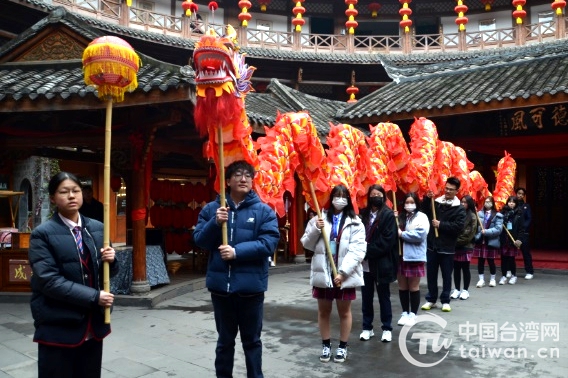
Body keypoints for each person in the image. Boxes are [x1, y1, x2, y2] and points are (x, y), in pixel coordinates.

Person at [193, 160, 280, 378]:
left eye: (248, 176)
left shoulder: (264, 211)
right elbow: (199, 241)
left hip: (251, 290)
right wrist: (215, 223)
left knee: (252, 342)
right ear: (228, 180)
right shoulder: (212, 209)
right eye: (238, 175)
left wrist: (237, 252)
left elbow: (268, 243)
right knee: (224, 342)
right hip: (222, 289)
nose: (243, 179)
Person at [28, 172, 118, 378]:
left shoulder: (97, 228)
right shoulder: (42, 234)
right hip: (58, 324)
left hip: (92, 325)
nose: (71, 196)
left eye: (76, 191)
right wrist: (95, 297)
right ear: (53, 198)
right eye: (64, 192)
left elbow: (107, 273)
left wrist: (112, 260)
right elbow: (49, 281)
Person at [301, 184, 366, 363]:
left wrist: (343, 273)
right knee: (324, 311)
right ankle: (325, 345)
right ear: (331, 198)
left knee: (344, 312)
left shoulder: (356, 222)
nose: (340, 199)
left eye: (343, 195)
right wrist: (315, 227)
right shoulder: (319, 218)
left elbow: (358, 250)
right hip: (324, 271)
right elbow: (306, 244)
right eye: (336, 195)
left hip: (344, 274)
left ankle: (343, 347)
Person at [358, 184, 397, 342]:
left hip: (381, 263)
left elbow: (387, 241)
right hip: (365, 264)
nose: (376, 197)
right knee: (366, 297)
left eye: (379, 194)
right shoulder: (364, 214)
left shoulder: (388, 215)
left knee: (384, 297)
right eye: (373, 194)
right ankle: (367, 327)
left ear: (384, 196)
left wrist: (366, 251)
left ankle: (386, 327)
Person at [420, 177, 466, 313]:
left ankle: (445, 300)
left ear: (457, 191)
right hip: (432, 245)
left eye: (451, 190)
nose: (448, 191)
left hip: (447, 247)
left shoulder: (459, 208)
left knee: (447, 275)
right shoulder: (437, 203)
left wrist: (441, 224)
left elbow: (459, 227)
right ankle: (431, 299)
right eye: (446, 188)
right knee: (431, 274)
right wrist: (427, 199)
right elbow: (425, 213)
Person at [395, 192, 429, 326]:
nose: (409, 205)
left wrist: (402, 234)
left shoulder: (422, 217)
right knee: (402, 286)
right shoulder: (400, 217)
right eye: (407, 202)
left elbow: (420, 235)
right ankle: (404, 312)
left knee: (413, 287)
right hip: (401, 256)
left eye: (412, 202)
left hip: (414, 256)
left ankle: (413, 314)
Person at [450, 195, 477, 301]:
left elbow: (470, 233)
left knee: (465, 268)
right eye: (461, 202)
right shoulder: (457, 214)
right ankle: (456, 289)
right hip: (455, 245)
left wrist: (458, 241)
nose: (463, 204)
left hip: (466, 245)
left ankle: (465, 290)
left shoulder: (473, 216)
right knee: (456, 268)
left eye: (465, 202)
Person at [473, 196, 503, 288]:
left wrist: (486, 232)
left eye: (489, 202)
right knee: (480, 261)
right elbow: (475, 226)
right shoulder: (479, 213)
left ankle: (492, 279)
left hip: (491, 241)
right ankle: (481, 279)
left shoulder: (498, 215)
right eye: (486, 201)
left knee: (491, 261)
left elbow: (498, 229)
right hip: (481, 241)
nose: (487, 203)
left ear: (493, 203)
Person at [499, 196, 526, 285]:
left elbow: (522, 229)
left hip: (512, 239)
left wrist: (519, 239)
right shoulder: (503, 213)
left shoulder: (519, 214)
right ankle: (503, 276)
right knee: (503, 259)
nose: (511, 203)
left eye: (513, 202)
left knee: (511, 259)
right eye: (509, 202)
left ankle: (514, 275)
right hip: (504, 239)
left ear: (516, 204)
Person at [516, 187, 534, 279]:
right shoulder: (512, 205)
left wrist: (523, 228)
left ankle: (529, 271)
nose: (520, 195)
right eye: (519, 193)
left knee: (526, 252)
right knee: (509, 252)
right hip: (514, 232)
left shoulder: (526, 206)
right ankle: (509, 271)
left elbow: (529, 219)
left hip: (523, 233)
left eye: (522, 194)